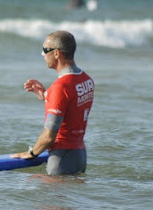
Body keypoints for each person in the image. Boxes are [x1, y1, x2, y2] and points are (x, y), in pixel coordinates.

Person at [12, 31, 94, 175]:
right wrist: (46, 96)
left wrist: (31, 153)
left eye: (45, 50)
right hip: (80, 155)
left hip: (61, 159)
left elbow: (49, 136)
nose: (43, 55)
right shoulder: (86, 80)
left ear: (56, 53)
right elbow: (72, 107)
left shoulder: (60, 87)